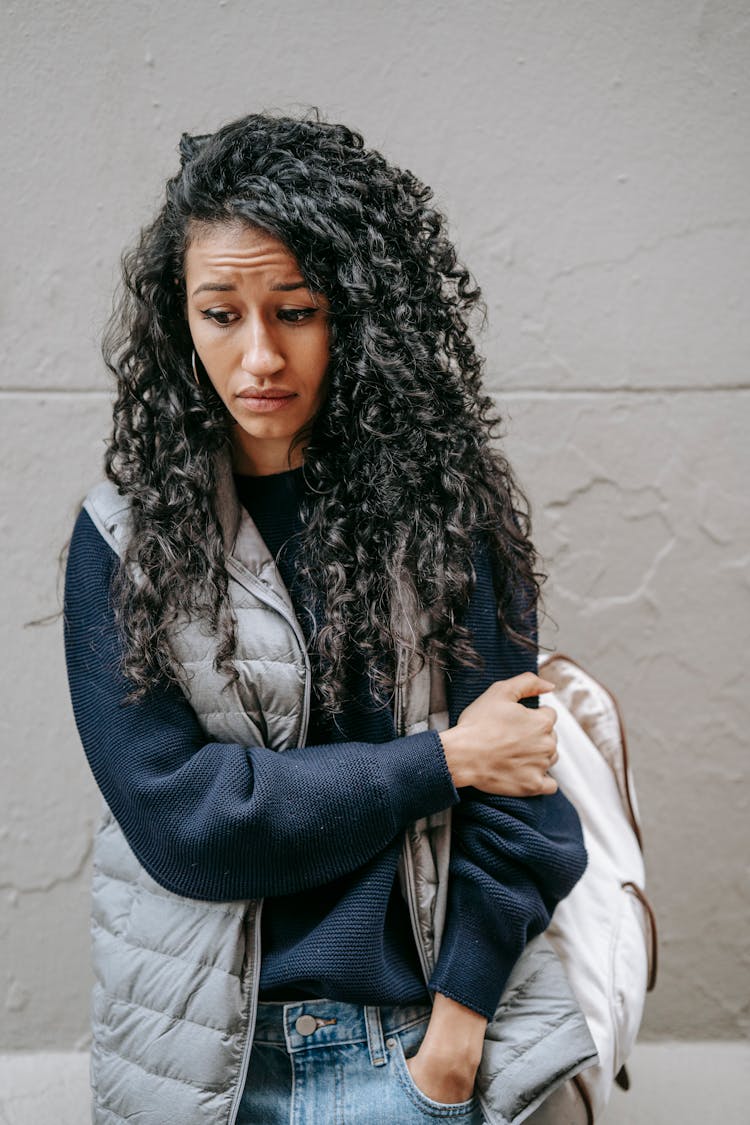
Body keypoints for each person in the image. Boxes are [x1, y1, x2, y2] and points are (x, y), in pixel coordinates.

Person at [64, 112, 594, 1125]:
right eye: (221, 314)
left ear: (353, 313)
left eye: (295, 309)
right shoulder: (123, 537)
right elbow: (186, 825)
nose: (258, 354)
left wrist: (453, 1043)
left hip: (422, 1054)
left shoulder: (447, 509)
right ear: (181, 322)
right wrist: (441, 760)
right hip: (209, 1080)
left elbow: (519, 793)